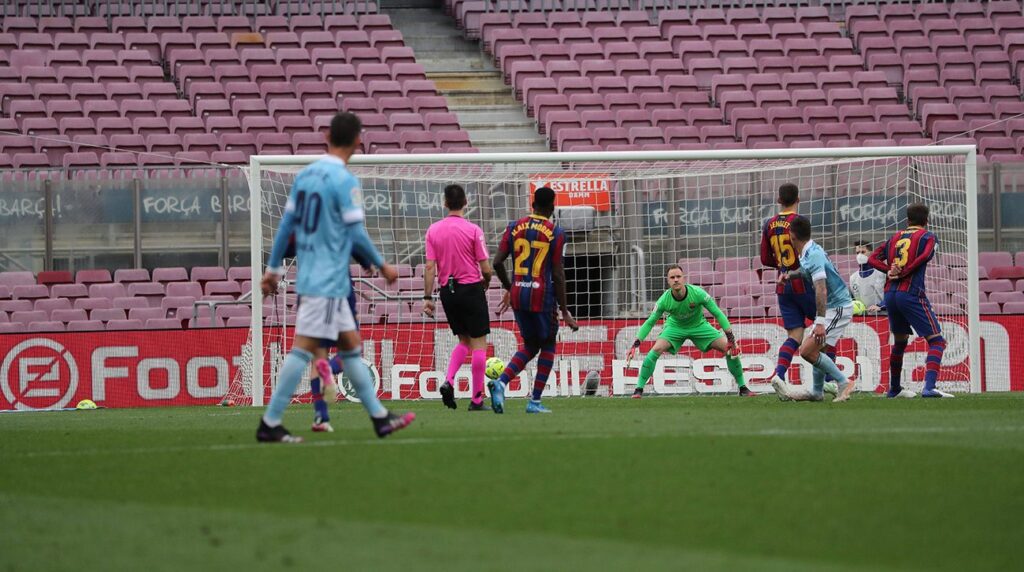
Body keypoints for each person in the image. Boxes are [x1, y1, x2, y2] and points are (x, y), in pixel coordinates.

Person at [256, 112, 416, 442]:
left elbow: (287, 227)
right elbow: (355, 232)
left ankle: (380, 418)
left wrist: (272, 269)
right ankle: (270, 422)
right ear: (359, 141)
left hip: (321, 279)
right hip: (327, 282)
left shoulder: (305, 175)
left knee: (351, 348)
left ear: (327, 135)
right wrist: (382, 265)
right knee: (303, 350)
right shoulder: (345, 181)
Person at [489, 186, 579, 414]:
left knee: (530, 345)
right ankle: (534, 402)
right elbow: (557, 273)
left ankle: (500, 383)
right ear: (552, 206)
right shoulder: (555, 232)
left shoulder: (513, 227)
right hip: (542, 297)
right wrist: (565, 310)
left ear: (532, 205)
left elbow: (497, 262)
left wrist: (511, 287)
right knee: (547, 344)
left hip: (519, 295)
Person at [759, 183, 838, 393]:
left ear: (778, 200)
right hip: (803, 282)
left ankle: (779, 374)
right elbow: (808, 254)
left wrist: (781, 264)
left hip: (782, 284)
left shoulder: (769, 224)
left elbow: (765, 258)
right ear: (798, 199)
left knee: (795, 334)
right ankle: (831, 380)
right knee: (826, 330)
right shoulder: (798, 222)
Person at [626, 265, 751, 398]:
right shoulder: (663, 300)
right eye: (672, 277)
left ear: (684, 279)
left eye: (678, 277)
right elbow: (650, 322)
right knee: (656, 349)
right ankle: (638, 389)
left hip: (699, 326)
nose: (675, 280)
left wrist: (731, 339)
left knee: (730, 349)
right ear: (668, 281)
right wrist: (636, 344)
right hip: (675, 327)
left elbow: (718, 313)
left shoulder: (698, 293)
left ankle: (743, 388)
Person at [868, 203, 952, 398]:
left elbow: (872, 258)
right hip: (911, 293)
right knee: (937, 342)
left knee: (899, 342)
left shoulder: (894, 238)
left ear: (907, 220)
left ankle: (894, 389)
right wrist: (905, 272)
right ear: (927, 220)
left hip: (890, 295)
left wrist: (888, 270)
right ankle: (929, 387)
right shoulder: (928, 236)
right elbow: (924, 256)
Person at [422, 184, 494, 411]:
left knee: (463, 340)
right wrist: (487, 281)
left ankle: (449, 380)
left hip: (448, 292)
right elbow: (486, 268)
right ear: (466, 202)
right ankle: (476, 399)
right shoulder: (474, 230)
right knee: (479, 344)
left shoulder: (433, 230)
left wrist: (427, 297)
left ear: (445, 203)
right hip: (471, 288)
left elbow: (430, 266)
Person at [771, 216, 856, 403]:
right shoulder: (807, 251)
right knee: (820, 349)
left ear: (792, 236)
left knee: (806, 351)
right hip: (835, 306)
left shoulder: (813, 254)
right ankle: (817, 392)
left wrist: (819, 322)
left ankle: (843, 382)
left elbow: (821, 288)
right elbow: (805, 271)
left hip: (839, 307)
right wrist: (790, 276)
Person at [849, 240, 886, 315]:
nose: (860, 255)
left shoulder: (882, 273)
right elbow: (852, 299)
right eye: (857, 253)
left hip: (883, 315)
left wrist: (880, 306)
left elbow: (892, 295)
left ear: (871, 253)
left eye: (863, 252)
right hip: (863, 318)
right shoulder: (853, 278)